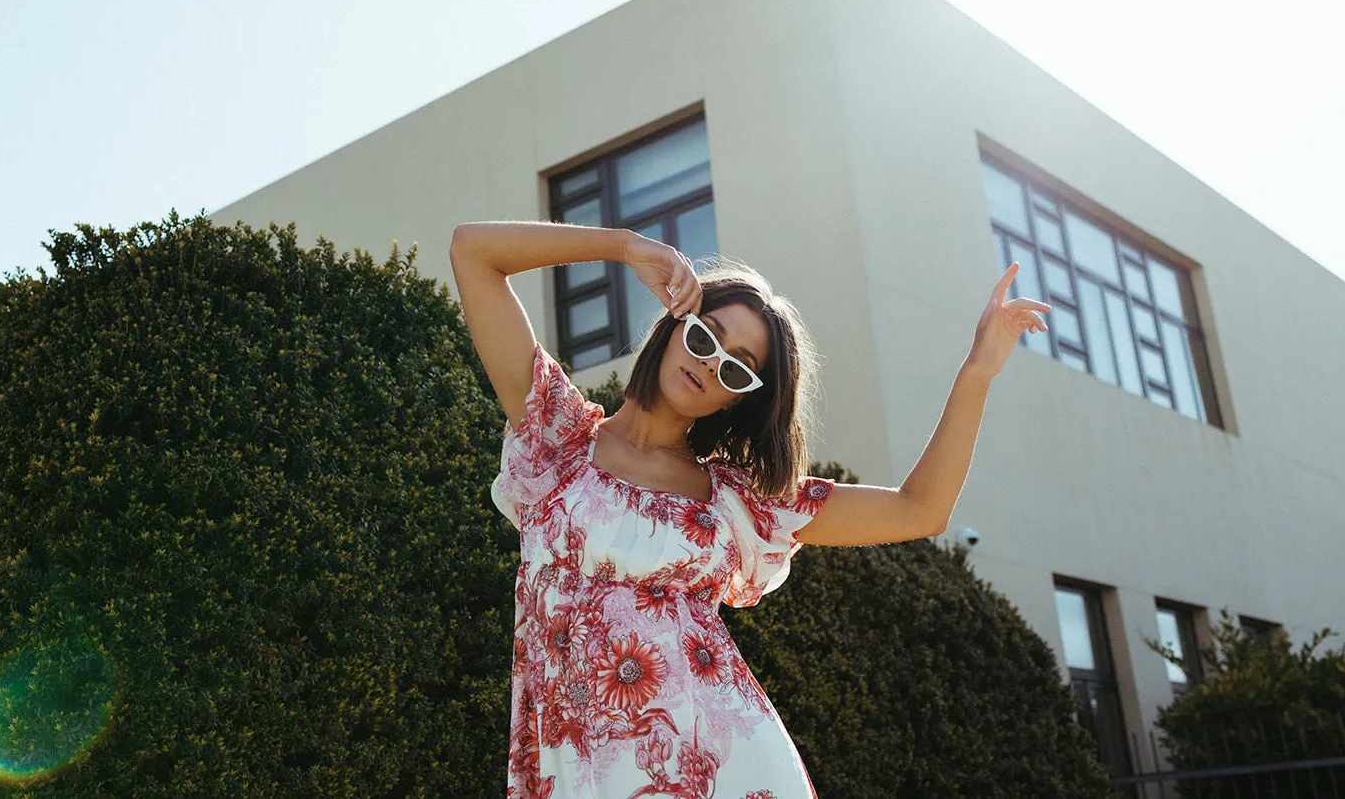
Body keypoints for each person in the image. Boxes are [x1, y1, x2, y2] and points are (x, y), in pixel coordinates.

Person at [449, 220, 1048, 798]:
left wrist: (977, 372)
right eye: (706, 336)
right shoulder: (559, 440)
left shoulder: (739, 503)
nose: (711, 363)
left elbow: (920, 510)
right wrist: (625, 247)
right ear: (675, 323)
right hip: (579, 767)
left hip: (725, 766)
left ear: (741, 397)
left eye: (736, 367)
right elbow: (473, 251)